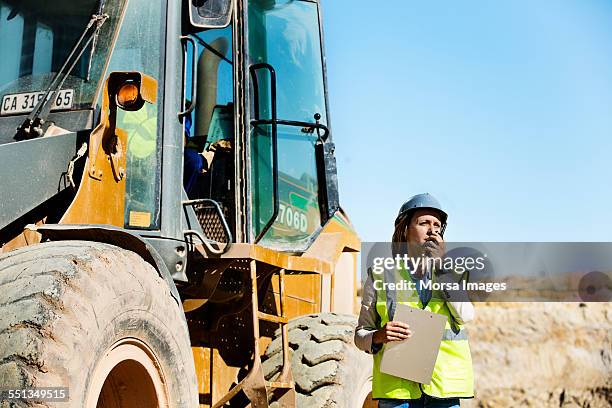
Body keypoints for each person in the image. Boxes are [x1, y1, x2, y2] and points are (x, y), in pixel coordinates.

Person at [355, 193, 474, 408]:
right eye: (423, 223)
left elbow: (466, 315)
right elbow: (361, 334)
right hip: (398, 394)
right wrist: (379, 335)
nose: (432, 230)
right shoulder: (381, 275)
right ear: (404, 229)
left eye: (437, 225)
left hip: (443, 393)